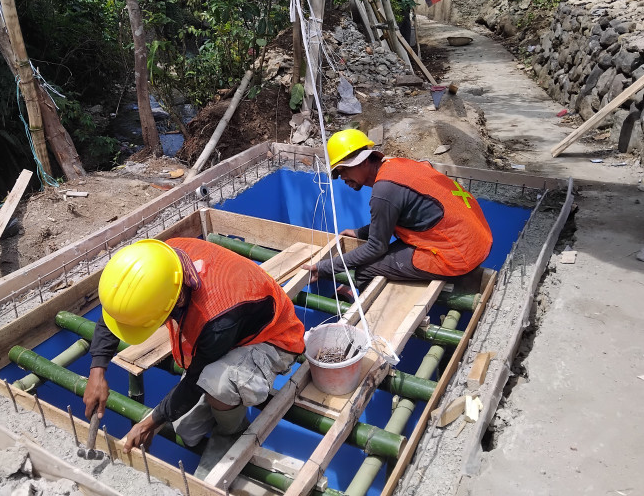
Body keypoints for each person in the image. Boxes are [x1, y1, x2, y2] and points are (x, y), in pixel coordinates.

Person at [83, 237, 305, 476]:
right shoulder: (160, 262)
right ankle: (222, 410)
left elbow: (195, 379)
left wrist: (149, 423)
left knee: (218, 384)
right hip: (229, 333)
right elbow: (118, 309)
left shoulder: (217, 320)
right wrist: (97, 370)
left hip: (273, 338)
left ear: (177, 299)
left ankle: (233, 431)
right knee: (186, 430)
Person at [304, 129, 493, 296]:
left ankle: (373, 315)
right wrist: (359, 233)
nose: (342, 177)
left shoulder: (384, 192)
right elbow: (397, 216)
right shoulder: (397, 165)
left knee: (365, 271)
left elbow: (376, 247)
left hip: (457, 253)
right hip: (475, 239)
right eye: (337, 173)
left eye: (343, 170)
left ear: (363, 161)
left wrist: (324, 268)